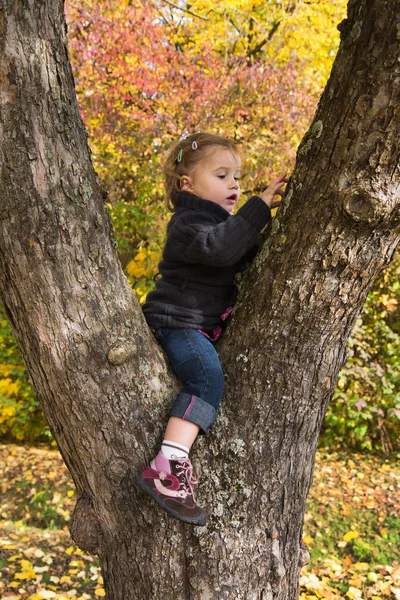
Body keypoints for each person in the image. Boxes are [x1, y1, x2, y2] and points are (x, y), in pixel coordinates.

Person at [136, 132, 287, 526]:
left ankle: (172, 462)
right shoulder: (188, 224)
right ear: (187, 184)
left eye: (237, 176)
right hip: (176, 322)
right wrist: (257, 210)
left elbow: (238, 249)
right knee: (206, 379)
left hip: (193, 327)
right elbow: (219, 248)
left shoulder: (218, 224)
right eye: (222, 175)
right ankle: (168, 465)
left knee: (209, 377)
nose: (234, 184)